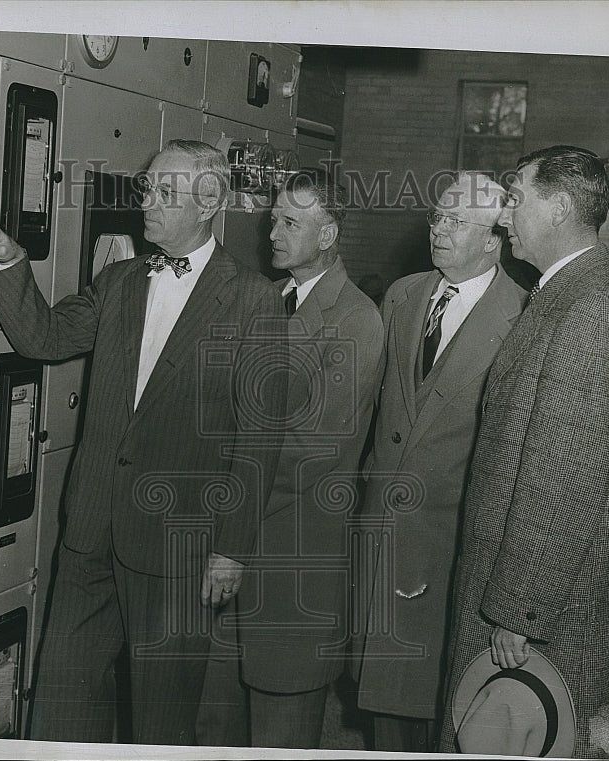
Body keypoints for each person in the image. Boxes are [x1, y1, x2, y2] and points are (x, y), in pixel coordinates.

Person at [0, 140, 286, 746]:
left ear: (211, 201)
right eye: (147, 190)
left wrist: (233, 549)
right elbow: (46, 336)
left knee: (159, 721)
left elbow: (257, 438)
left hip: (179, 545)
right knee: (62, 706)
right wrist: (10, 262)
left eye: (166, 193)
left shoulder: (254, 300)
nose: (148, 205)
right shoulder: (118, 281)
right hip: (91, 529)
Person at [441, 146, 609, 758]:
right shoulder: (569, 294)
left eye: (518, 199)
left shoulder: (588, 311)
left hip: (547, 621)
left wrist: (519, 612)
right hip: (532, 603)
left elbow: (566, 478)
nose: (506, 219)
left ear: (558, 209)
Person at [197, 171, 384, 749]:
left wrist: (215, 499)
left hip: (290, 566)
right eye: (272, 220)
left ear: (327, 234)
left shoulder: (355, 320)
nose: (272, 233)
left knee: (280, 737)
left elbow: (311, 452)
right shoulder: (270, 298)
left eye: (289, 223)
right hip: (235, 554)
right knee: (211, 729)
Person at [353, 172, 526, 752]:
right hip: (381, 535)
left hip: (450, 547)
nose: (439, 230)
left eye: (457, 221)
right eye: (437, 217)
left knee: (441, 712)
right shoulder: (403, 295)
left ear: (494, 238)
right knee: (382, 707)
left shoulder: (521, 319)